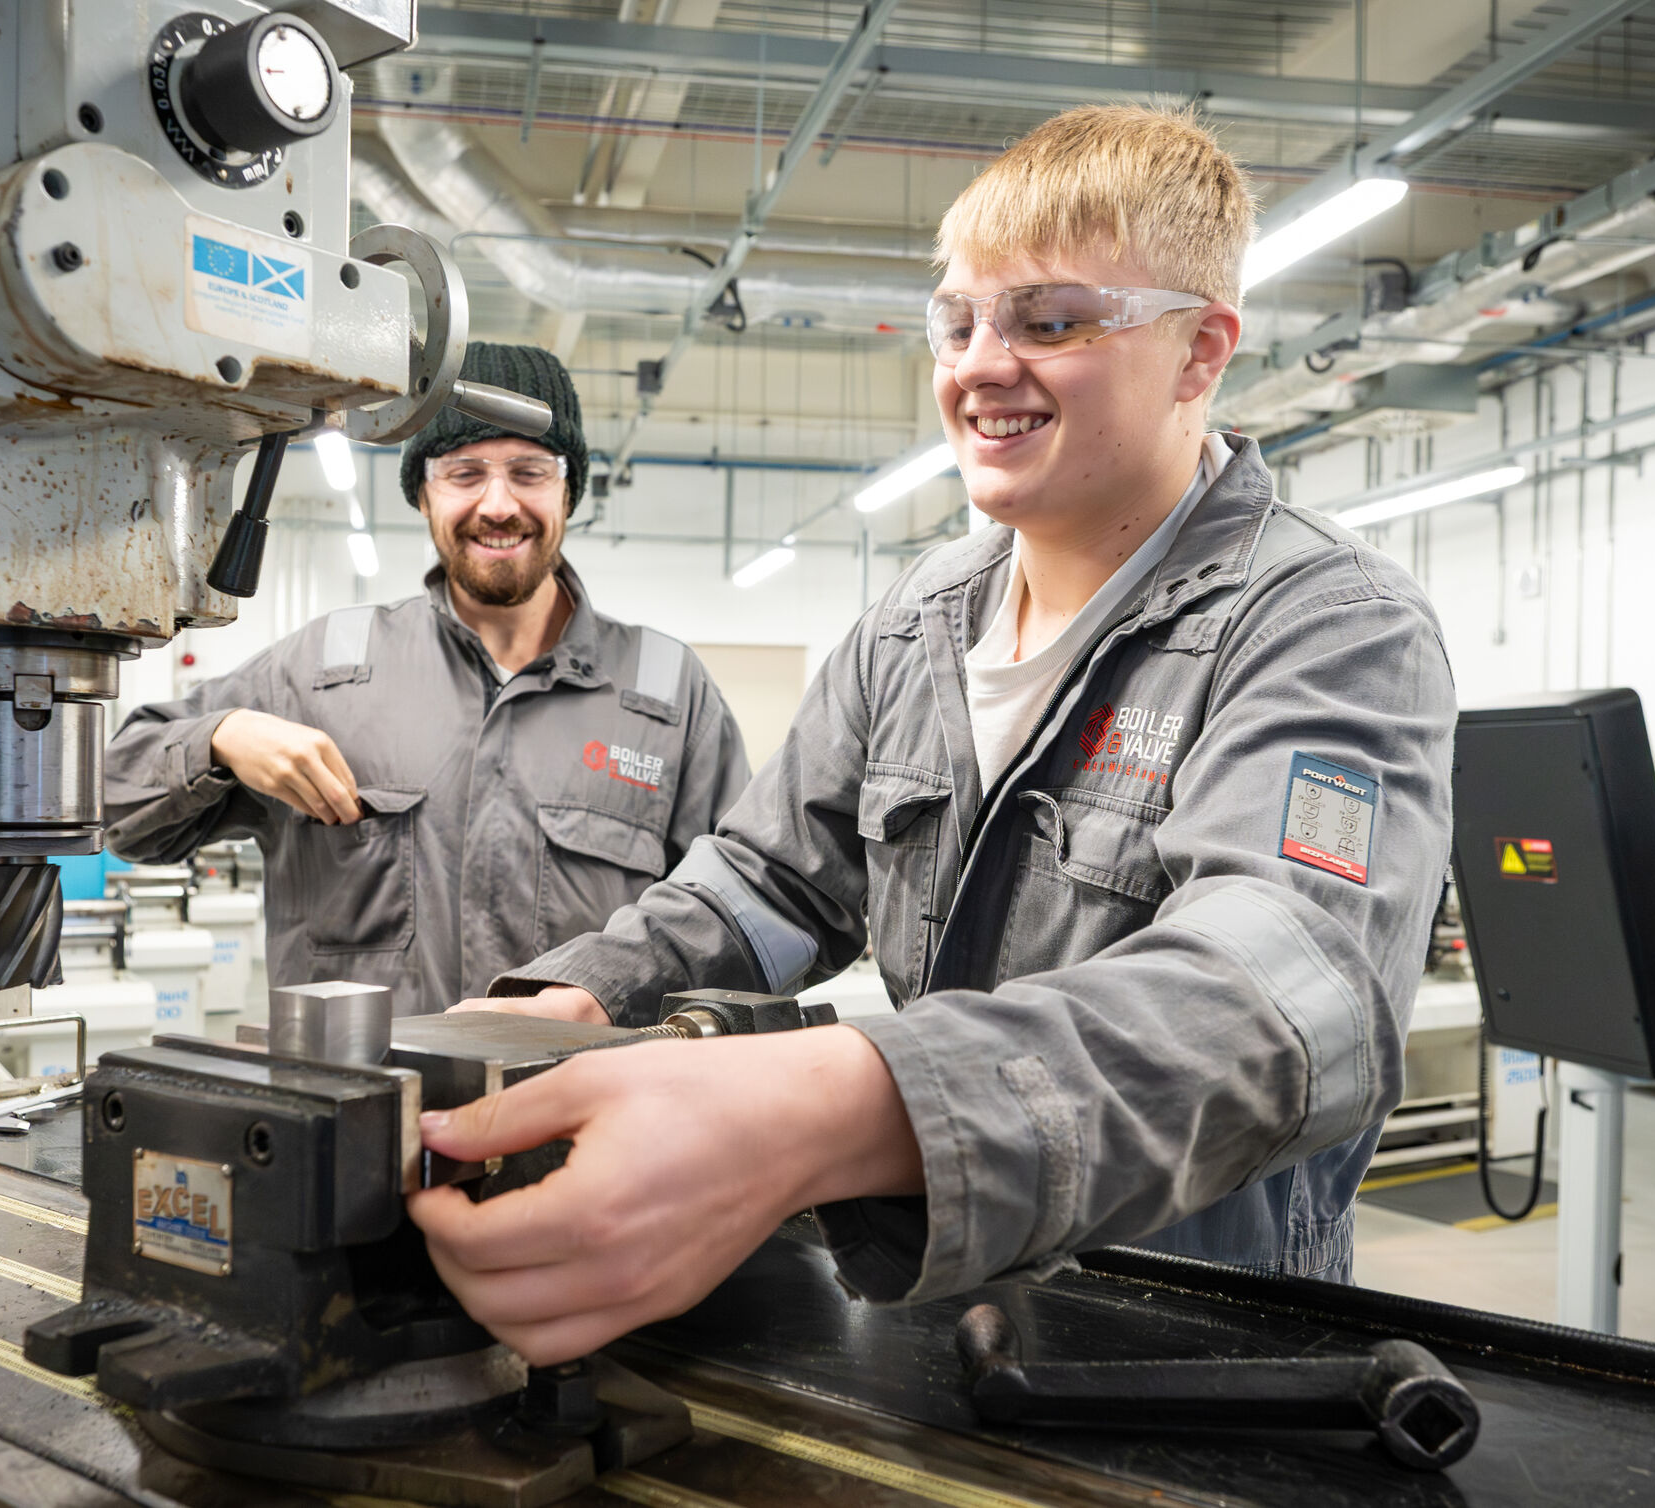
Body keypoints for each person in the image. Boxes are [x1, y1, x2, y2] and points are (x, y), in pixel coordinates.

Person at [407, 105, 1458, 1365]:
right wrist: (583, 995)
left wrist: (831, 1105)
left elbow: (1267, 1004)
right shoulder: (920, 621)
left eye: (1050, 322)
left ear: (1198, 353)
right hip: (940, 1302)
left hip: (1184, 1341)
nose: (980, 366)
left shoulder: (1331, 626)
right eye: (959, 322)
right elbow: (774, 882)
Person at [100, 344, 752, 1016]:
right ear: (422, 493)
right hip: (358, 1082)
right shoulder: (320, 671)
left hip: (587, 1083)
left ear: (569, 490)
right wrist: (221, 738)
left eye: (529, 472)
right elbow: (116, 807)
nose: (498, 504)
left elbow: (740, 912)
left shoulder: (668, 695)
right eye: (464, 473)